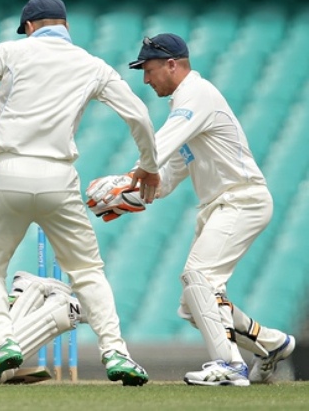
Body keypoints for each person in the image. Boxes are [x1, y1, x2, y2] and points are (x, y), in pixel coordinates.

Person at [0, 0, 160, 387]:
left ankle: (2, 341)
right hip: (59, 176)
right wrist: (149, 166)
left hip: (9, 172)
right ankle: (116, 352)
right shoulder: (91, 64)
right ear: (65, 26)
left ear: (28, 26)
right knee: (88, 271)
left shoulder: (11, 50)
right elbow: (138, 114)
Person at [109, 33, 294, 386]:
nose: (146, 80)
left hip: (242, 199)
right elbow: (166, 177)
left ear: (172, 65)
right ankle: (272, 344)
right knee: (194, 304)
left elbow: (159, 146)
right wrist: (132, 193)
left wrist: (130, 174)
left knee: (200, 279)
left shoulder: (196, 95)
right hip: (221, 205)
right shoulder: (186, 106)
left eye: (149, 70)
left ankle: (229, 366)